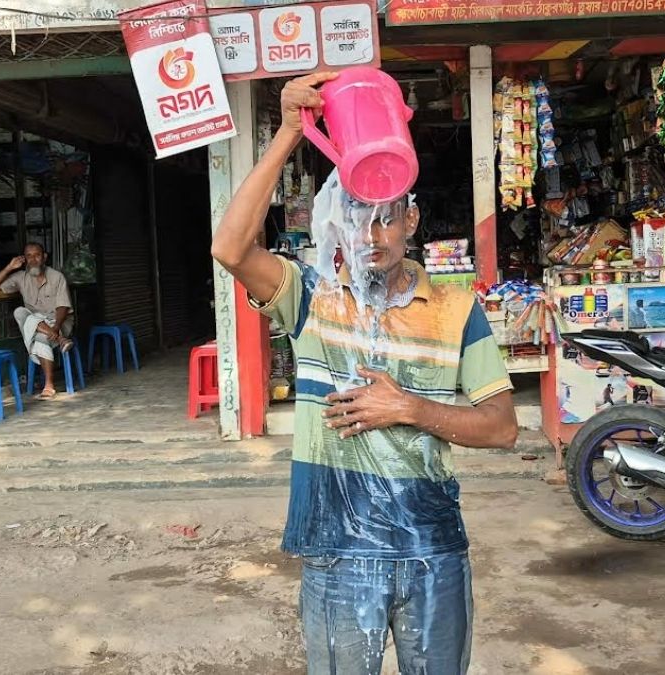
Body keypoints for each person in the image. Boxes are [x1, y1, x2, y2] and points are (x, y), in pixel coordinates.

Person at [211, 72, 518, 675]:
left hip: (432, 548)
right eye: (356, 217)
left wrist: (411, 408)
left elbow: (503, 427)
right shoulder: (312, 299)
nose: (371, 235)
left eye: (385, 218)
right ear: (337, 224)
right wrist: (288, 135)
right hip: (337, 549)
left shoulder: (457, 309)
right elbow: (229, 248)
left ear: (411, 219)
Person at [0, 243, 73, 400]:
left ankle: (49, 385)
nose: (33, 259)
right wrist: (9, 268)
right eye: (29, 256)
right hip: (37, 324)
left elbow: (63, 307)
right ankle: (60, 340)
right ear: (24, 259)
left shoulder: (56, 276)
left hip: (58, 321)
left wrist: (57, 327)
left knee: (40, 337)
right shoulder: (20, 277)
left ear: (44, 257)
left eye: (37, 255)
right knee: (20, 312)